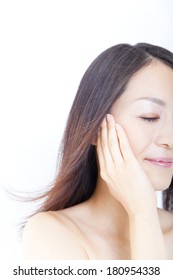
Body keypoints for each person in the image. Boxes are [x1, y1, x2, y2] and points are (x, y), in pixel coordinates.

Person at [22, 43, 173, 260]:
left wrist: (144, 214)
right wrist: (142, 214)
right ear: (95, 130)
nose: (169, 139)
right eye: (150, 117)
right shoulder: (53, 234)